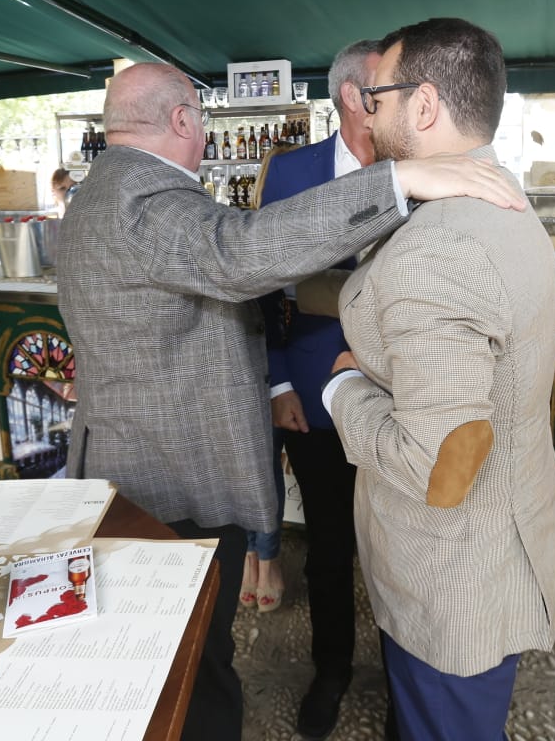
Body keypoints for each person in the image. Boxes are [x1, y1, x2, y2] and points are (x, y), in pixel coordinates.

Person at [55, 61, 526, 741]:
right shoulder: (144, 199)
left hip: (139, 457)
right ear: (185, 121)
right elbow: (237, 253)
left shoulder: (105, 188)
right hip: (169, 478)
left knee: (178, 652)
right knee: (189, 668)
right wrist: (398, 181)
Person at [322, 19, 555, 741]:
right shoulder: (497, 196)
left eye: (376, 97)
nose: (366, 112)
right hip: (503, 537)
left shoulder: (440, 249)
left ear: (422, 106)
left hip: (457, 575)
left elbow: (441, 466)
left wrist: (344, 389)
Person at [257, 40, 382, 738]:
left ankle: (407, 675)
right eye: (388, 87)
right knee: (330, 548)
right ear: (353, 97)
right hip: (312, 392)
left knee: (404, 551)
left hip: (402, 396)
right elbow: (265, 288)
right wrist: (278, 381)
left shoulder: (422, 168)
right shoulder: (293, 173)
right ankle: (330, 670)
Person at [239, 140, 298, 616]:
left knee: (266, 470)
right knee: (256, 471)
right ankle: (257, 558)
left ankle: (266, 558)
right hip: (258, 371)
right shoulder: (251, 237)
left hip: (301, 369)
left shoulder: (314, 234)